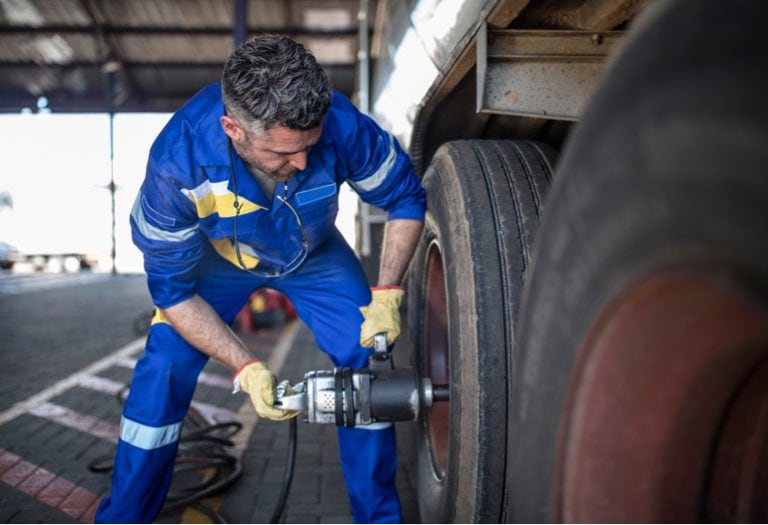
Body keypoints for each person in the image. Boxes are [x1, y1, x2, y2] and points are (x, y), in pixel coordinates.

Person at [94, 34, 425, 524]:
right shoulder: (175, 166)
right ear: (233, 129)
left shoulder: (341, 123)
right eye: (284, 153)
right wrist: (244, 364)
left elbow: (405, 198)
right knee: (163, 367)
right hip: (217, 263)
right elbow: (175, 294)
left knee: (366, 363)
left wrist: (389, 289)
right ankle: (124, 517)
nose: (304, 164)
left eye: (311, 146)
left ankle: (378, 518)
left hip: (313, 254)